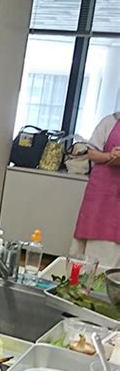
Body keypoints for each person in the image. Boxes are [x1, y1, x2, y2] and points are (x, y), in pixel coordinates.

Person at [71, 111, 120, 267]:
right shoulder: (109, 122)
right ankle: (84, 282)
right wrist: (110, 156)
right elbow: (92, 153)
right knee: (94, 237)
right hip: (102, 193)